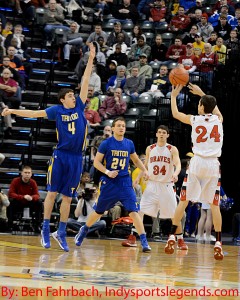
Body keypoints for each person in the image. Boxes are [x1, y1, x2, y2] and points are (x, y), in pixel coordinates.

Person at [2, 43, 96, 252]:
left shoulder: (80, 106)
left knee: (68, 197)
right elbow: (34, 115)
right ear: (63, 100)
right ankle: (45, 229)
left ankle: (60, 232)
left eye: (74, 94)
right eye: (70, 95)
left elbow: (86, 79)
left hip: (76, 158)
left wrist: (90, 59)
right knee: (52, 194)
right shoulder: (56, 110)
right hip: (61, 156)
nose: (75, 96)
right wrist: (12, 111)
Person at [164, 82, 224, 260]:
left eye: (199, 103)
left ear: (201, 107)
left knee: (183, 201)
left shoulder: (195, 119)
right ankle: (219, 242)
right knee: (214, 205)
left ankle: (172, 235)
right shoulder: (218, 120)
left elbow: (175, 114)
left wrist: (174, 97)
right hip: (213, 165)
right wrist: (201, 93)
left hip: (197, 162)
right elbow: (215, 109)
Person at [74, 117, 152, 252]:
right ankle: (84, 229)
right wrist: (107, 172)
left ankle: (144, 242)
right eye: (119, 125)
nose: (122, 127)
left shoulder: (129, 143)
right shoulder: (106, 143)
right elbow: (96, 162)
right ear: (114, 128)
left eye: (123, 126)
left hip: (125, 182)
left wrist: (145, 170)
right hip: (109, 182)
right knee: (99, 211)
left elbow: (136, 160)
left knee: (134, 212)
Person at [130, 125, 187, 249]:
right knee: (140, 210)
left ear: (167, 135)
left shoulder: (172, 149)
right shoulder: (150, 148)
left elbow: (177, 164)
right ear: (156, 134)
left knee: (174, 214)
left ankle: (180, 240)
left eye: (164, 132)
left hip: (166, 185)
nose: (161, 134)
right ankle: (133, 237)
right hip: (152, 184)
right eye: (159, 132)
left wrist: (176, 174)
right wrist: (138, 177)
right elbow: (144, 165)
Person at [8, 165, 42, 233]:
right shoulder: (15, 181)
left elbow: (37, 195)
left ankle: (37, 225)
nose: (27, 174)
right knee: (10, 202)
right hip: (19, 202)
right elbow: (11, 193)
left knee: (39, 203)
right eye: (25, 172)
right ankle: (10, 225)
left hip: (29, 202)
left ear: (31, 174)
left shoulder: (33, 182)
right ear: (22, 173)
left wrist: (32, 197)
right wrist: (23, 197)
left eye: (29, 173)